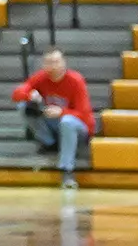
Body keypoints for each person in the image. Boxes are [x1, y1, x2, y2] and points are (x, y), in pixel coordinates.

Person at [10, 48, 94, 189]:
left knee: (67, 121)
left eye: (56, 62)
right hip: (55, 124)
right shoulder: (41, 77)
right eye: (49, 62)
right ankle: (49, 143)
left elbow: (84, 115)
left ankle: (67, 171)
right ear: (43, 65)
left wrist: (61, 111)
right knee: (24, 106)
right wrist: (29, 95)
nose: (53, 66)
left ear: (64, 63)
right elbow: (16, 94)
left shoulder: (76, 80)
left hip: (79, 128)